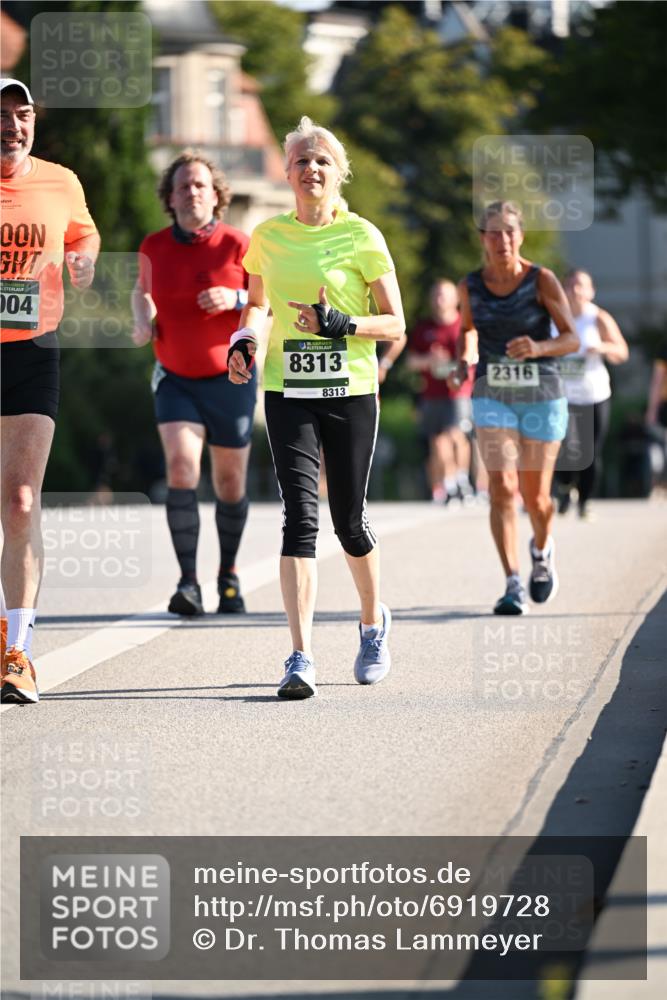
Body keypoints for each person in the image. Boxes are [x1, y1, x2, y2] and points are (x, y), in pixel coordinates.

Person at [228, 116, 405, 699]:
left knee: (348, 521)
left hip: (351, 390)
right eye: (302, 160)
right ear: (286, 173)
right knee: (300, 517)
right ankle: (300, 655)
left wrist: (341, 323)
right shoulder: (267, 237)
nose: (311, 169)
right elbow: (257, 305)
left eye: (322, 161)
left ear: (338, 174)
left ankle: (372, 623)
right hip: (288, 390)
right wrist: (244, 341)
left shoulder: (362, 236)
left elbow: (395, 323)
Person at [0, 78, 100, 703]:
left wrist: (84, 260)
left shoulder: (61, 182)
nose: (12, 125)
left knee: (20, 502)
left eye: (22, 114)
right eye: (1, 115)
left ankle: (18, 652)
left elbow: (82, 234)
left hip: (33, 350)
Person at [132, 152, 255, 616]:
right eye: (182, 186)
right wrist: (142, 318)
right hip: (175, 378)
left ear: (216, 194)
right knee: (182, 468)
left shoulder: (238, 245)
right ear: (170, 197)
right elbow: (142, 292)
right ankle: (188, 583)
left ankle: (228, 575)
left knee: (229, 481)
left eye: (200, 185)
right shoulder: (153, 246)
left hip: (231, 378)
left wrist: (234, 296)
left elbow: (268, 302)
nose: (192, 193)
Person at [453, 201, 579, 615]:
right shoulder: (470, 286)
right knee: (503, 488)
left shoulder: (541, 279)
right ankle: (512, 584)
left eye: (509, 231)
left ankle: (541, 551)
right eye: (494, 232)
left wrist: (538, 347)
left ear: (520, 236)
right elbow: (467, 330)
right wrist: (463, 359)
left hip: (542, 395)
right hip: (493, 393)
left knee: (536, 498)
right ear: (482, 239)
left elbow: (571, 338)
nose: (502, 240)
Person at [554, 268, 628, 519]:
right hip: (562, 396)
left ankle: (584, 501)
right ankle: (565, 488)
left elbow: (622, 352)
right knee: (563, 446)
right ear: (563, 290)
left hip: (594, 394)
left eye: (581, 285)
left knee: (591, 451)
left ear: (591, 291)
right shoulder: (555, 318)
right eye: (570, 285)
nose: (575, 290)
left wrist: (602, 347)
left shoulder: (598, 318)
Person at [407, 279, 475, 504]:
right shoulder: (424, 328)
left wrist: (453, 363)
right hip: (431, 395)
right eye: (436, 295)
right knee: (438, 441)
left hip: (458, 393)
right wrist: (430, 360)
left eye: (444, 295)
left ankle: (462, 480)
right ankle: (449, 484)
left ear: (456, 299)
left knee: (457, 435)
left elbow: (473, 358)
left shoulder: (464, 326)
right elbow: (411, 362)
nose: (439, 300)